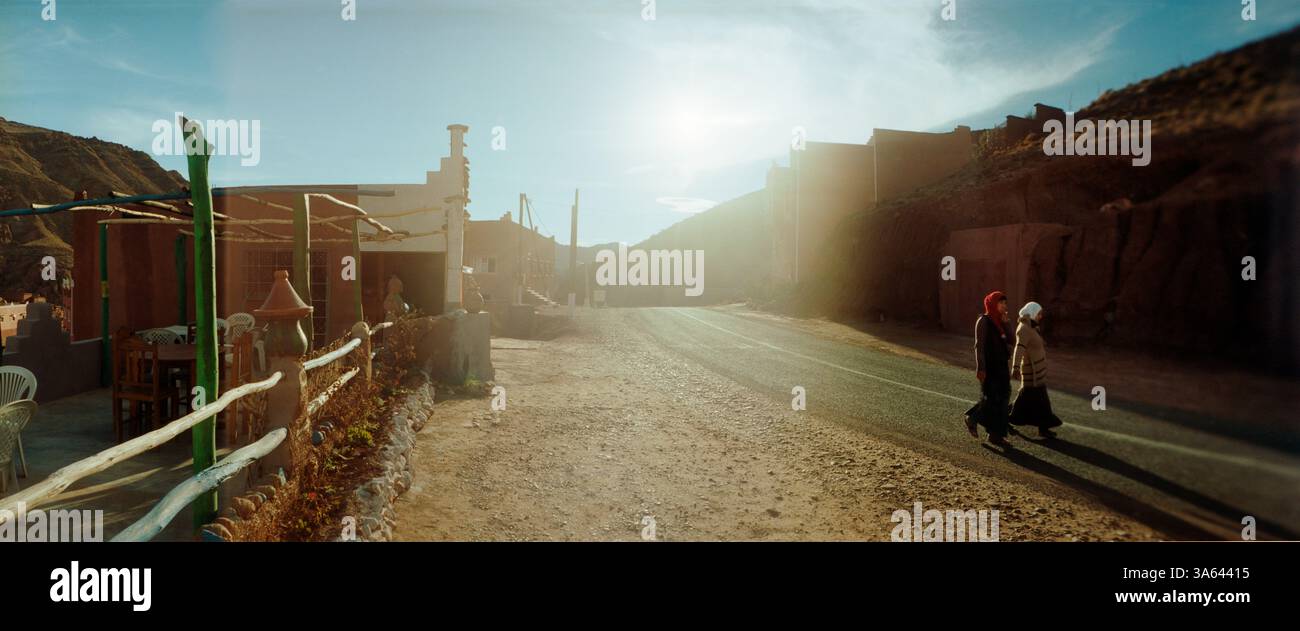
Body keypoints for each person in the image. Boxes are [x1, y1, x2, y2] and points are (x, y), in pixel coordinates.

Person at [964, 291, 1013, 447]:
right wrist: (981, 368)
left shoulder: (1001, 322)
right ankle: (972, 418)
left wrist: (1007, 323)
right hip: (990, 368)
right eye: (1001, 303)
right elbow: (979, 347)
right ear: (992, 304)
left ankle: (996, 435)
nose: (1004, 306)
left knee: (1003, 400)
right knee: (991, 399)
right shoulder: (983, 321)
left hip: (1002, 367)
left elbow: (1012, 340)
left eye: (1005, 303)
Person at [1009, 301, 1063, 438]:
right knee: (1034, 402)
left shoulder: (1031, 327)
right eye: (1039, 314)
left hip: (1037, 374)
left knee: (1034, 402)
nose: (1040, 316)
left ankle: (1042, 428)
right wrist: (1015, 367)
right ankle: (1004, 419)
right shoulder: (1024, 329)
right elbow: (1019, 348)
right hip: (1030, 374)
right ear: (1032, 312)